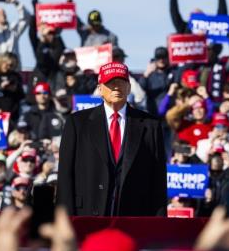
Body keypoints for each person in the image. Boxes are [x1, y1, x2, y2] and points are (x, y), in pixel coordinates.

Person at [57, 62, 166, 216]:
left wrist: (158, 223)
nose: (116, 87)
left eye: (121, 82)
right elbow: (65, 175)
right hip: (87, 214)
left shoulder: (151, 125)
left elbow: (158, 181)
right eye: (110, 83)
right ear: (100, 89)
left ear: (129, 88)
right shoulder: (77, 122)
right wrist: (64, 219)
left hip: (134, 217)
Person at [139, 47, 176, 115]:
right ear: (155, 59)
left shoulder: (173, 72)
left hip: (169, 112)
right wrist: (146, 73)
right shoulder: (150, 75)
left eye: (164, 57)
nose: (161, 60)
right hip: (153, 111)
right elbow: (141, 86)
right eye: (159, 58)